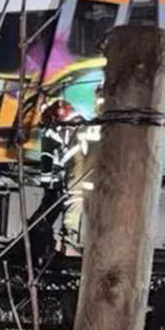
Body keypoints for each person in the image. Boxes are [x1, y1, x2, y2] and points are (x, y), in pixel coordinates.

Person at [59, 86, 104, 251]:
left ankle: (69, 235)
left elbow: (75, 153)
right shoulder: (115, 128)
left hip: (84, 177)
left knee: (76, 202)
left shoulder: (86, 127)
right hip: (98, 179)